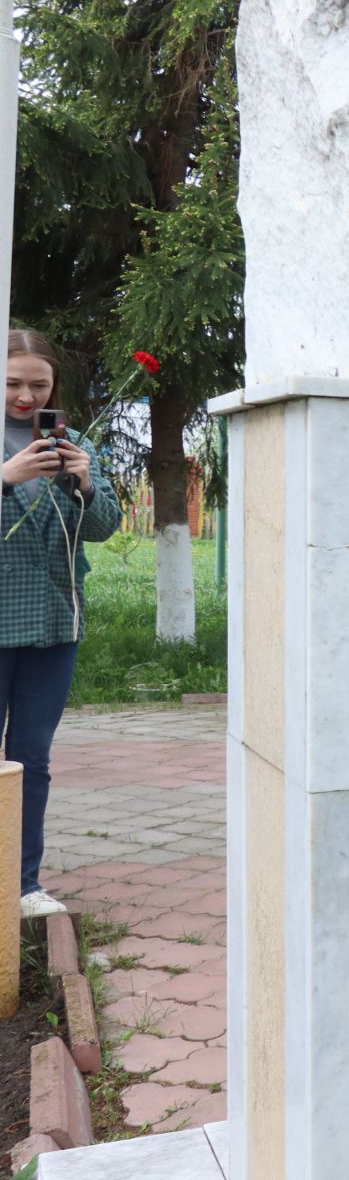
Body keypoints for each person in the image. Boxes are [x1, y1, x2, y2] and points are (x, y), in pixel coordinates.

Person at [2, 331, 125, 918]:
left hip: (53, 622)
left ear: (55, 387)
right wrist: (7, 476)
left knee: (32, 757)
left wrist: (85, 482)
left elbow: (104, 526)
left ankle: (23, 884)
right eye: (13, 383)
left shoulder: (73, 443)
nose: (26, 396)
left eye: (39, 384)